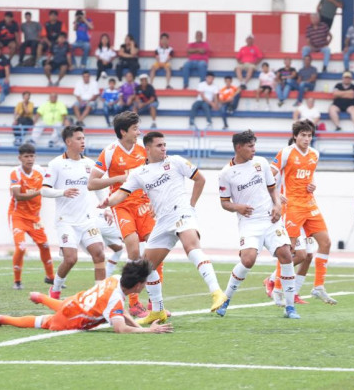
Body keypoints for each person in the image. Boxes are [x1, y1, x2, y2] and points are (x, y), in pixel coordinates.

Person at [101, 131, 228, 324]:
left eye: (164, 144)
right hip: (162, 221)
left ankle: (216, 292)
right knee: (146, 266)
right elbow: (122, 194)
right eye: (159, 145)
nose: (164, 148)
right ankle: (157, 311)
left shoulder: (175, 161)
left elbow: (200, 179)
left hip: (181, 212)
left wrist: (191, 205)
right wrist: (107, 202)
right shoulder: (140, 173)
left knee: (191, 247)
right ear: (148, 148)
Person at [215, 130, 299, 319]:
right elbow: (224, 203)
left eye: (254, 145)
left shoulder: (261, 163)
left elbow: (273, 190)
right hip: (249, 223)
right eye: (250, 146)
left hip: (270, 220)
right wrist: (238, 207)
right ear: (239, 147)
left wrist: (277, 206)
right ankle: (225, 299)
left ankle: (290, 307)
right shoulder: (226, 173)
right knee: (248, 260)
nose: (254, 149)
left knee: (286, 254)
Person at [88, 111, 158, 319]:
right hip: (123, 206)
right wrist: (119, 177)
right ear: (123, 131)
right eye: (135, 129)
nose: (139, 132)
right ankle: (134, 303)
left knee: (156, 253)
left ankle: (155, 304)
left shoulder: (144, 151)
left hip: (145, 206)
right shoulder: (109, 152)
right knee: (134, 252)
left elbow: (154, 178)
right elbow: (92, 183)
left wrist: (155, 201)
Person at [0, 260, 172, 334]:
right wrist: (148, 330)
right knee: (42, 321)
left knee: (63, 305)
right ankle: (2, 319)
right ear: (138, 285)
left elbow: (121, 312)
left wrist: (136, 323)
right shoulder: (114, 299)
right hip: (69, 319)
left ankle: (41, 297)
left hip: (73, 302)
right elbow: (120, 328)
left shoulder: (115, 279)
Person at [271, 120, 337, 305]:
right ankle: (277, 288)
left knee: (326, 242)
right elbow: (269, 174)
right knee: (290, 251)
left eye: (309, 136)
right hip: (292, 206)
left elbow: (308, 175)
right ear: (295, 136)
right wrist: (276, 194)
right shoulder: (286, 153)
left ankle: (318, 287)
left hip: (310, 205)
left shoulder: (315, 154)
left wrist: (312, 184)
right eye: (303, 135)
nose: (307, 139)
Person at [43, 126, 110, 299]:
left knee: (99, 253)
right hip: (66, 221)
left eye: (83, 138)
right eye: (79, 139)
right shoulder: (56, 164)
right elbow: (44, 190)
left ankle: (99, 296)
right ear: (68, 141)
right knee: (71, 259)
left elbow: (98, 187)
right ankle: (55, 289)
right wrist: (62, 192)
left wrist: (106, 207)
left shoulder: (89, 164)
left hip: (87, 220)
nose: (83, 142)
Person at [7, 143, 55, 290]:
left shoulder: (40, 171)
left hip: (34, 217)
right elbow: (18, 196)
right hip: (18, 216)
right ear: (20, 158)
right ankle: (17, 281)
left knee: (45, 246)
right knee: (21, 247)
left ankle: (51, 278)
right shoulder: (16, 173)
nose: (29, 159)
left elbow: (52, 181)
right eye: (26, 156)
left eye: (32, 156)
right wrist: (39, 191)